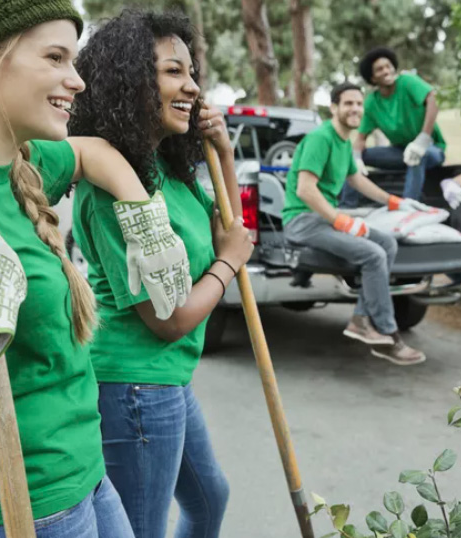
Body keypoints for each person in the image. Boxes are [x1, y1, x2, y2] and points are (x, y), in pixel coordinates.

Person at [0, 1, 191, 536]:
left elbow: (93, 150)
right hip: (15, 507)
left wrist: (145, 215)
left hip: (87, 478)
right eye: (55, 58)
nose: (78, 81)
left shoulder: (28, 163)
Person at [70, 9, 253, 538]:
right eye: (174, 72)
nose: (192, 86)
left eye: (192, 73)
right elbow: (169, 319)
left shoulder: (165, 169)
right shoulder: (112, 190)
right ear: (130, 79)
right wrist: (226, 264)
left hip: (168, 377)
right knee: (142, 528)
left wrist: (222, 151)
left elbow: (228, 230)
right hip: (135, 386)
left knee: (209, 499)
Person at [282, 82, 426, 366]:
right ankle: (389, 332)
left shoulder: (344, 140)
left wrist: (393, 201)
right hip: (302, 221)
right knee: (373, 254)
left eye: (359, 104)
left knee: (387, 242)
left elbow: (356, 179)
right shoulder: (321, 138)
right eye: (348, 103)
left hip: (323, 220)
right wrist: (342, 221)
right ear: (334, 107)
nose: (355, 109)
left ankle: (361, 318)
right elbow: (305, 190)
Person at [340, 47, 446, 207]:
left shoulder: (407, 82)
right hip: (400, 152)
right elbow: (361, 138)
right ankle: (346, 207)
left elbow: (433, 99)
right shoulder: (372, 103)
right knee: (353, 159)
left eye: (388, 66)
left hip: (431, 149)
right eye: (379, 69)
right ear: (373, 78)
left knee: (417, 157)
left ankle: (408, 207)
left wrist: (423, 140)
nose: (386, 71)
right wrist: (356, 157)